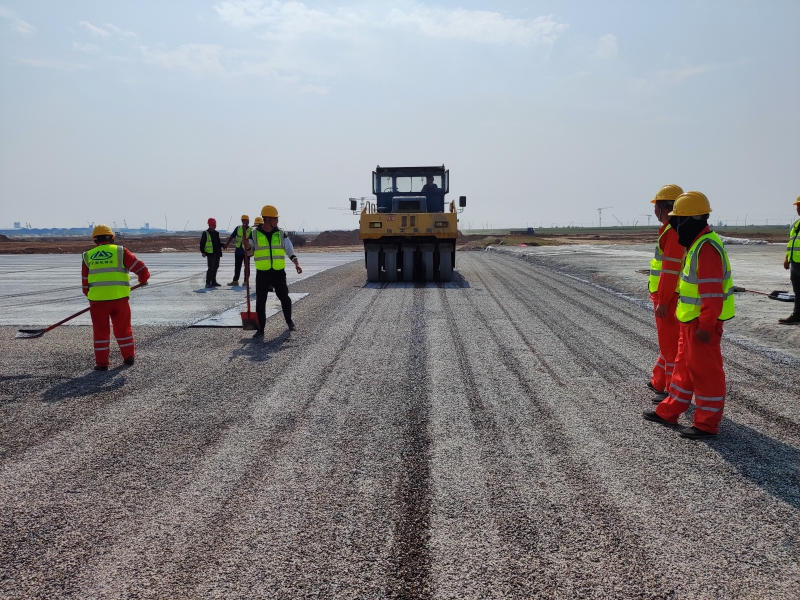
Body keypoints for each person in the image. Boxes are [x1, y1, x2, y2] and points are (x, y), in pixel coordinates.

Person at [643, 191, 735, 439]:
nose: (675, 227)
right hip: (688, 321)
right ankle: (669, 411)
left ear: (691, 220)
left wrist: (706, 325)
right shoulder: (696, 244)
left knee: (706, 374)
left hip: (701, 324)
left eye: (678, 221)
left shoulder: (706, 248)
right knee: (682, 371)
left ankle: (706, 424)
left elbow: (712, 294)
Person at [82, 224, 149, 371]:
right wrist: (143, 280)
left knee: (100, 332)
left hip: (98, 302)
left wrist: (94, 297)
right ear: (112, 238)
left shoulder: (88, 255)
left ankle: (102, 364)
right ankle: (128, 356)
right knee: (123, 328)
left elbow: (85, 284)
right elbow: (141, 268)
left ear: (95, 240)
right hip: (120, 300)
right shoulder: (120, 251)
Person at [646, 184, 685, 400]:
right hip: (666, 295)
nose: (654, 210)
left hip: (669, 298)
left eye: (656, 205)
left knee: (670, 346)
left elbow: (670, 270)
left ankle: (671, 391)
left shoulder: (672, 232)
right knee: (666, 342)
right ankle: (659, 381)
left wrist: (663, 299)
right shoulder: (671, 230)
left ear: (663, 207)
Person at [245, 204, 302, 337]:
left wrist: (296, 263)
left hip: (278, 272)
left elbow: (289, 249)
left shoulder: (281, 233)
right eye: (275, 218)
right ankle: (260, 329)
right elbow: (249, 253)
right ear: (268, 219)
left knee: (285, 298)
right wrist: (247, 246)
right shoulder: (254, 234)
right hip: (262, 273)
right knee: (260, 301)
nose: (277, 220)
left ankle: (289, 321)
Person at [779, 195, 800, 324]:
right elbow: (791, 243)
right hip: (795, 264)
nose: (798, 208)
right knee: (798, 291)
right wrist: (787, 258)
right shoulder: (795, 224)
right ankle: (797, 316)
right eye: (797, 206)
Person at [224, 214, 251, 286]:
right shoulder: (238, 228)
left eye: (247, 220)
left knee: (247, 267)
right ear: (242, 221)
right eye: (244, 220)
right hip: (239, 250)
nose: (246, 222)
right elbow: (232, 236)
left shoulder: (251, 230)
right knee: (237, 266)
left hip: (247, 251)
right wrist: (227, 244)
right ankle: (235, 280)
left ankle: (246, 281)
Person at [200, 218, 222, 287]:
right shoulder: (206, 233)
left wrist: (223, 245)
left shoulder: (216, 233)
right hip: (210, 253)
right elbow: (202, 243)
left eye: (215, 225)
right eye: (213, 225)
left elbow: (218, 243)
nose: (214, 226)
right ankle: (208, 282)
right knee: (211, 268)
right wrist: (203, 252)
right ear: (209, 225)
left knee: (216, 267)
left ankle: (213, 281)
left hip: (217, 252)